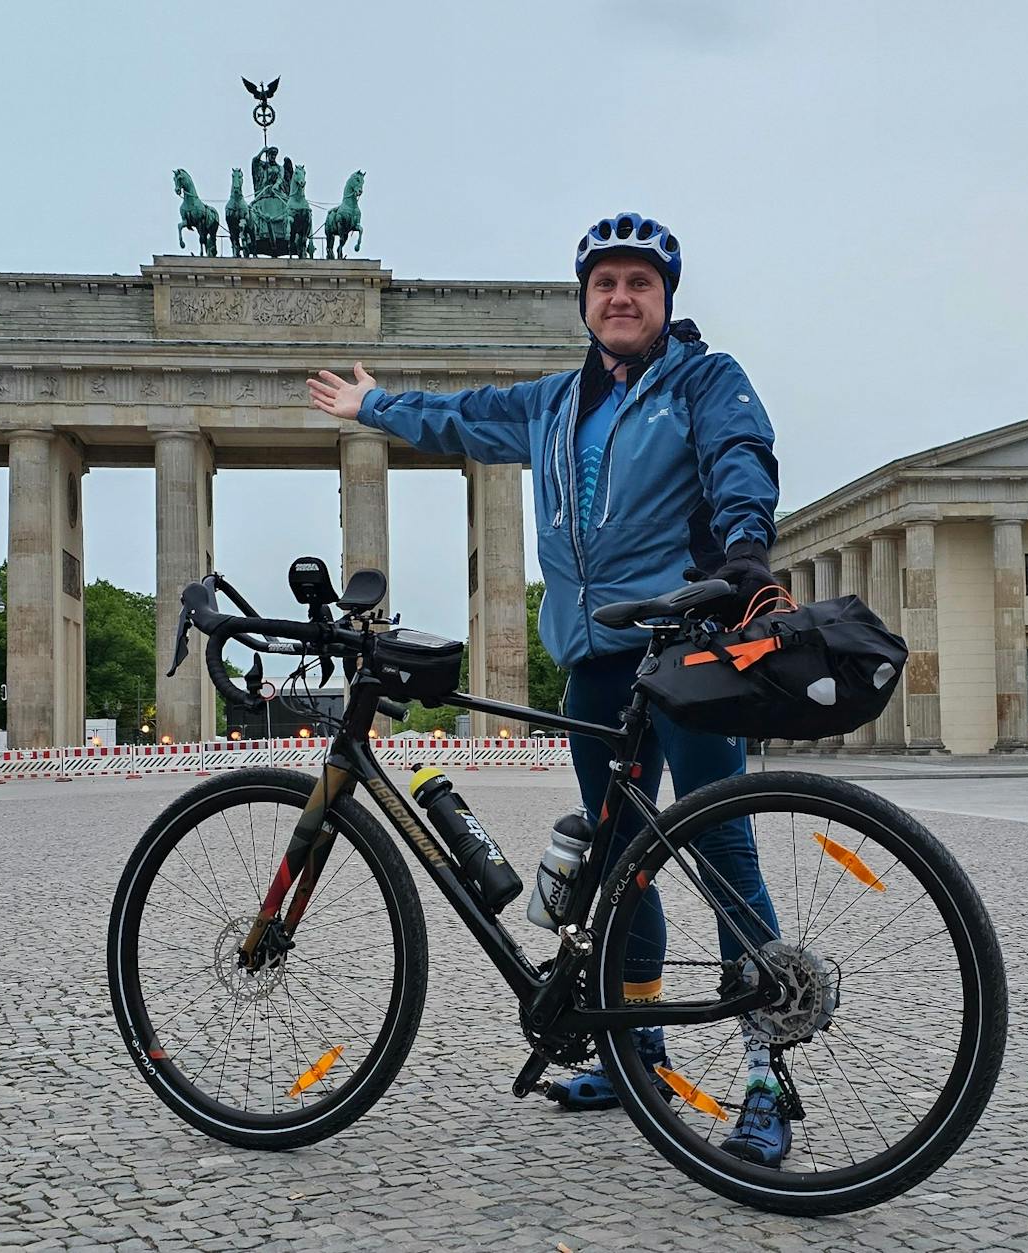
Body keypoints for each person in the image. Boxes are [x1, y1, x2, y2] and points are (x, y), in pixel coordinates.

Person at [308, 213, 791, 1166]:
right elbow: (464, 416)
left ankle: (767, 1071)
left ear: (665, 301)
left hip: (689, 648)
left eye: (638, 284)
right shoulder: (552, 404)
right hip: (593, 661)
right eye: (605, 284)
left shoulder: (704, 379)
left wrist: (744, 549)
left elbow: (742, 457)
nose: (621, 297)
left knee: (724, 847)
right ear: (584, 302)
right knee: (619, 862)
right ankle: (636, 1051)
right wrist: (379, 409)